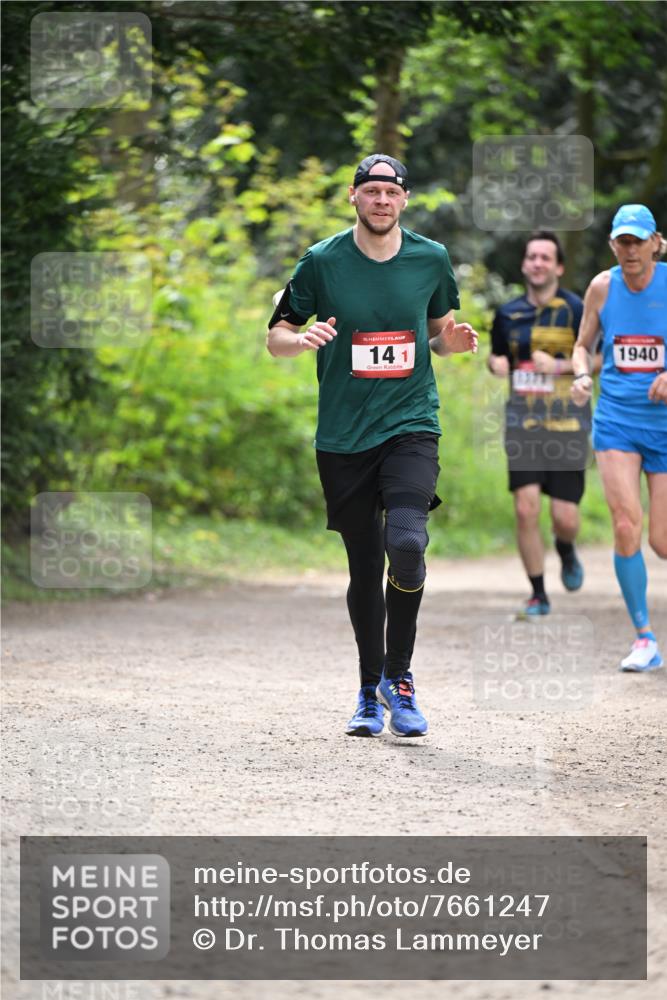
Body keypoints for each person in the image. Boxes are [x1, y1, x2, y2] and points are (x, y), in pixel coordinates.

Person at [266, 153, 477, 737]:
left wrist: (451, 344)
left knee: (406, 543)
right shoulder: (322, 262)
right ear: (353, 198)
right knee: (364, 567)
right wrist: (301, 338)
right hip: (343, 437)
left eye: (391, 191)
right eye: (371, 190)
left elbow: (436, 334)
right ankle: (366, 690)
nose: (381, 200)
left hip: (411, 424)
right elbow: (275, 336)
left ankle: (399, 680)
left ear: (404, 200)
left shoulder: (430, 259)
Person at [571, 204, 667, 672]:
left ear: (656, 243)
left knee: (662, 540)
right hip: (616, 422)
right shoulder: (602, 287)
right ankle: (644, 639)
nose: (630, 249)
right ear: (613, 245)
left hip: (665, 426)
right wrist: (581, 376)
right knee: (626, 524)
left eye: (638, 240)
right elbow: (581, 346)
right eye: (622, 241)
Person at [488, 231, 598, 617]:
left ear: (559, 267)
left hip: (568, 423)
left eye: (545, 257)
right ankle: (538, 593)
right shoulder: (507, 313)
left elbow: (598, 360)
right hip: (523, 422)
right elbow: (498, 358)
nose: (538, 263)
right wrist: (495, 364)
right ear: (524, 264)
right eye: (532, 256)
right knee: (525, 508)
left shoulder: (577, 309)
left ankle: (566, 549)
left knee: (565, 518)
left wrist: (562, 366)